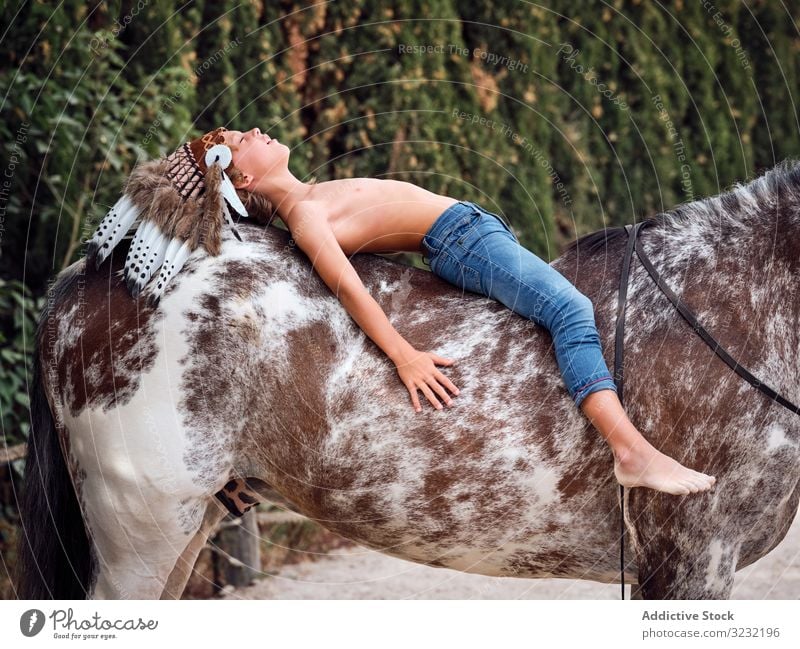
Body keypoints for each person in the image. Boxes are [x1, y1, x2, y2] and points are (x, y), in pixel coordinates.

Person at [90, 125, 716, 496]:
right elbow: (348, 289)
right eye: (239, 141)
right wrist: (404, 354)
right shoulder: (306, 218)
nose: (254, 133)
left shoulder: (310, 196)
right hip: (462, 241)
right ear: (243, 181)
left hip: (472, 230)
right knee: (573, 311)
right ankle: (629, 449)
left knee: (562, 311)